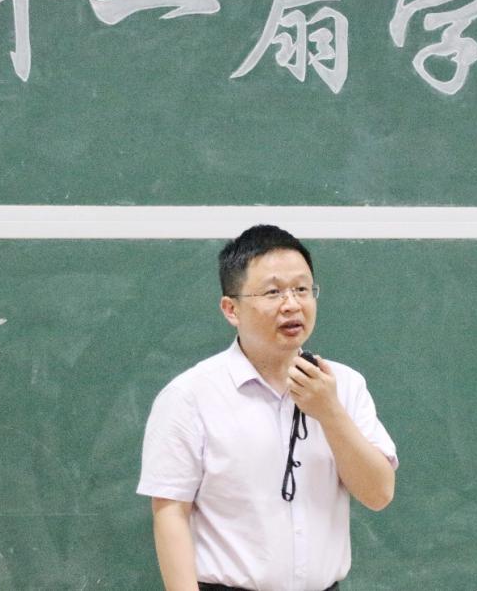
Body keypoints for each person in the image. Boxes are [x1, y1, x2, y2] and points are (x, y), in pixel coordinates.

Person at [138, 224, 398, 591]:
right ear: (231, 309)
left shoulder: (344, 385)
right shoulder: (189, 395)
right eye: (273, 292)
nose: (292, 305)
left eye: (302, 289)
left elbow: (379, 494)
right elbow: (170, 514)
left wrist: (329, 412)